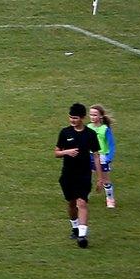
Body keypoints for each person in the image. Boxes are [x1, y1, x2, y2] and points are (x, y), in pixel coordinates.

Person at [56, 102, 96, 247]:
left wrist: (100, 178)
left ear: (83, 118)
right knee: (72, 203)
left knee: (82, 203)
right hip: (68, 175)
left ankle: (82, 236)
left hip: (84, 175)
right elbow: (56, 152)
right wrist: (67, 152)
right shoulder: (65, 133)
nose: (72, 120)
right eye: (71, 117)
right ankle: (74, 227)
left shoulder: (90, 134)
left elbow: (96, 155)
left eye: (75, 118)